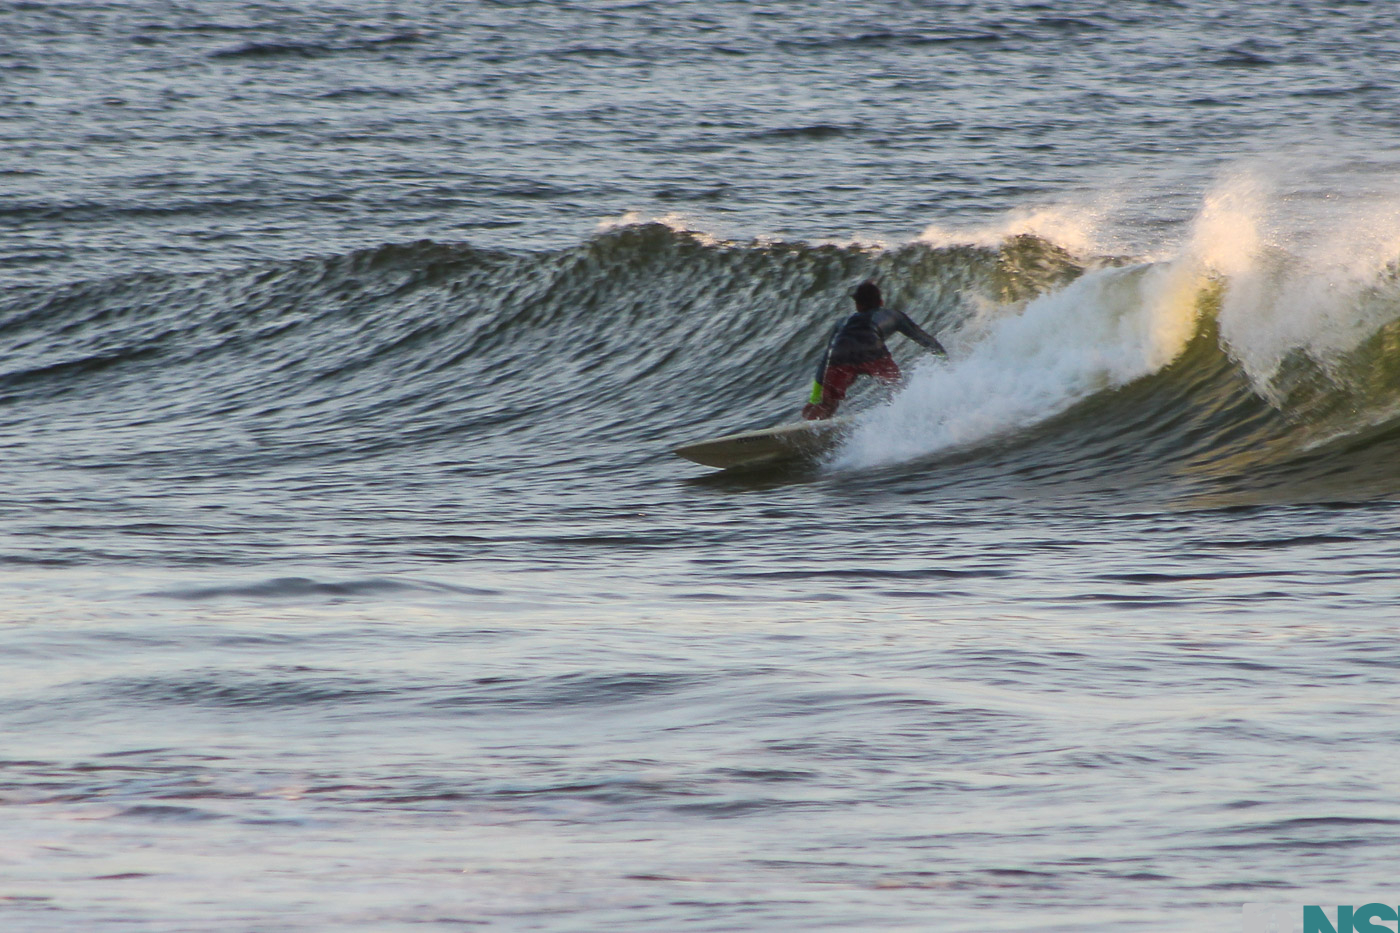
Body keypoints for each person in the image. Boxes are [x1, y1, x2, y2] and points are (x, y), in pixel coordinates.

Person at [801, 280, 946, 420]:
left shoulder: (842, 323)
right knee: (897, 389)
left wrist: (815, 397)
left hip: (840, 355)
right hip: (871, 351)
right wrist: (943, 356)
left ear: (857, 305)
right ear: (881, 302)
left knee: (827, 404)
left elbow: (826, 359)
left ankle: (812, 428)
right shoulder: (894, 315)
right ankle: (906, 417)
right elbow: (922, 338)